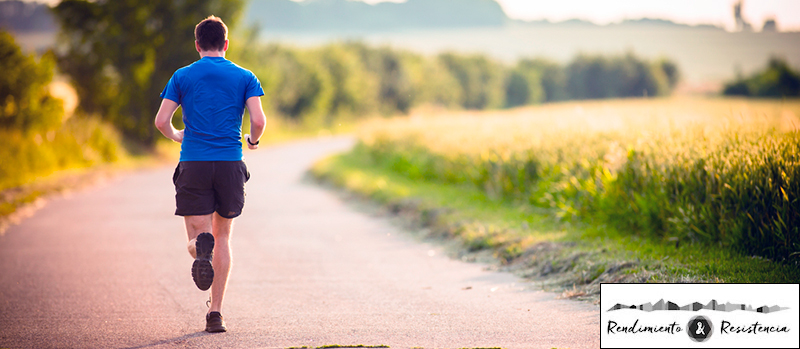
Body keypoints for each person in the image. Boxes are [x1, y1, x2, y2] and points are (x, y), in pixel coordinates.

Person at [154, 15, 266, 333]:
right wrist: (253, 142)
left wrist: (178, 135)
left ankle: (198, 250)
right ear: (226, 44)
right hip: (230, 163)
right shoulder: (245, 76)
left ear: (197, 44)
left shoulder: (182, 75)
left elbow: (162, 121)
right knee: (224, 237)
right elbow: (258, 120)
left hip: (195, 163)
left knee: (197, 238)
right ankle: (215, 313)